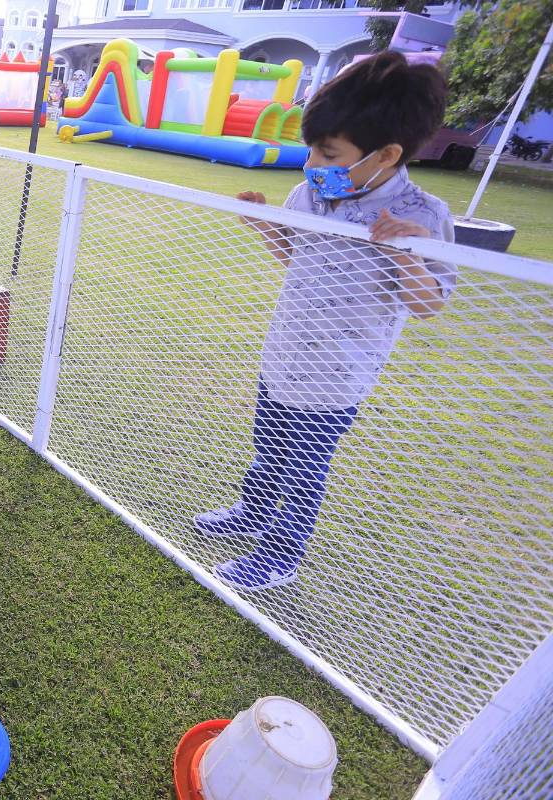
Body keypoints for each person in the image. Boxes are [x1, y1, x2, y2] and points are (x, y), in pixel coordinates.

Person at [195, 51, 456, 592]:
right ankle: (252, 511)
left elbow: (429, 303)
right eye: (312, 148)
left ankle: (280, 555)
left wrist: (404, 253)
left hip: (337, 375)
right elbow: (295, 256)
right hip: (284, 354)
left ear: (387, 154)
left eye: (328, 153)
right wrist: (263, 225)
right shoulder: (309, 193)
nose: (312, 163)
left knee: (304, 467)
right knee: (269, 447)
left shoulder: (422, 216)